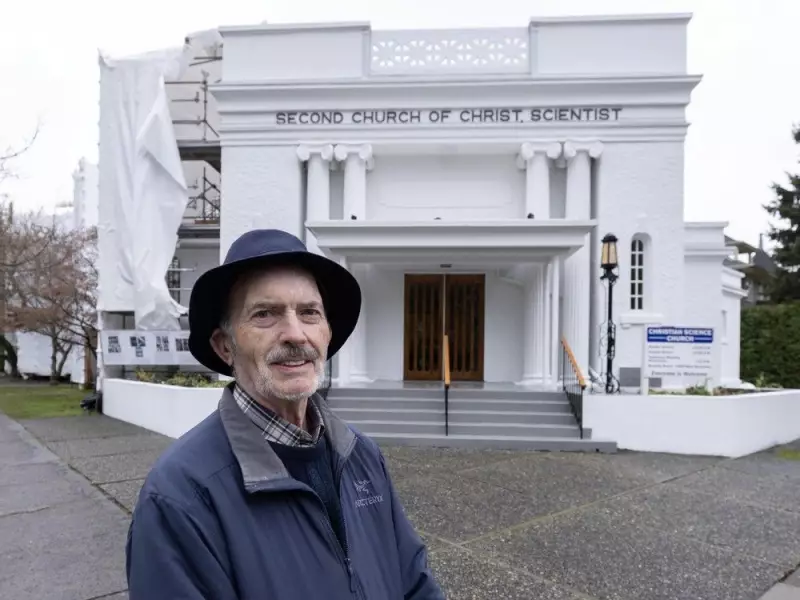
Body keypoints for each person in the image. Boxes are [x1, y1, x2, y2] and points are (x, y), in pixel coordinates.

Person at [125, 229, 444, 599]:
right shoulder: (181, 494)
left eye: (310, 312)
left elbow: (415, 582)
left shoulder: (362, 456)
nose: (295, 334)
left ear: (327, 332)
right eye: (265, 314)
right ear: (225, 345)